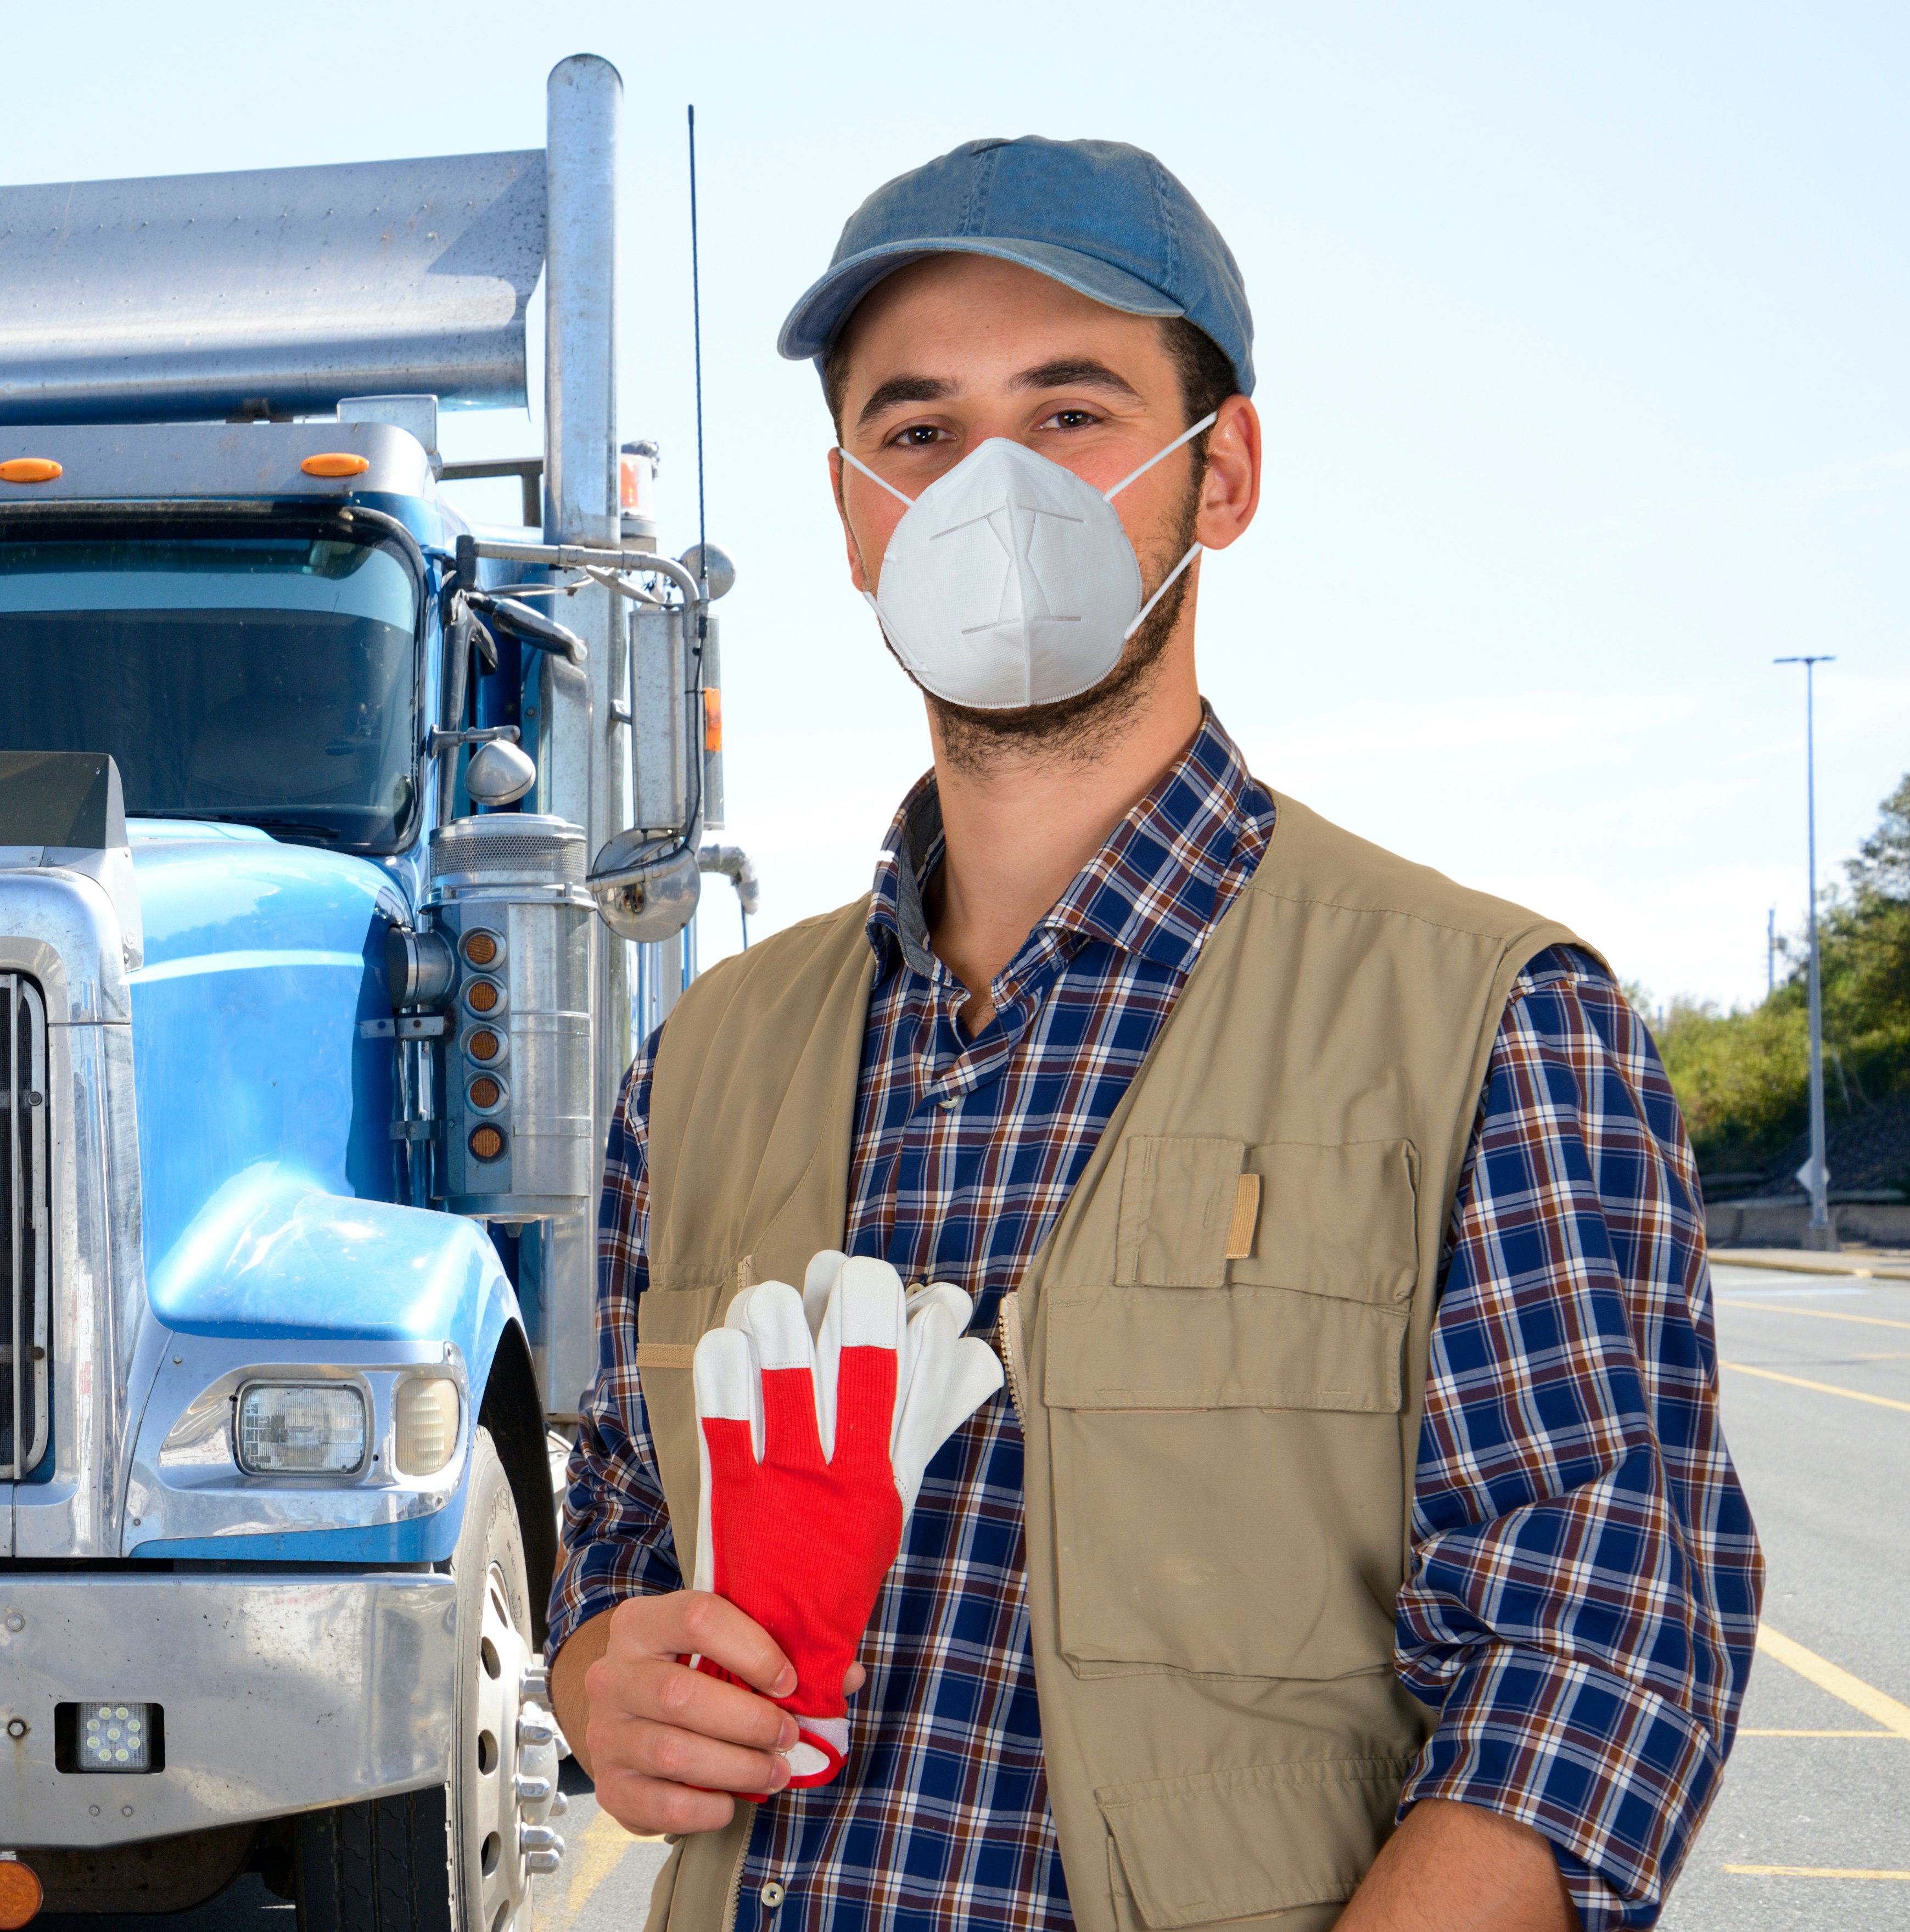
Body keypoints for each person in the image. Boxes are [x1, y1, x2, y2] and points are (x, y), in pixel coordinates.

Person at [541, 137, 1760, 1930]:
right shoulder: (711, 1052)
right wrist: (600, 1680)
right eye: (920, 432)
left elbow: (1598, 1662)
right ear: (852, 508)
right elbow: (627, 1520)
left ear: (1226, 472)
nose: (988, 491)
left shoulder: (1491, 1025)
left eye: (1073, 412)